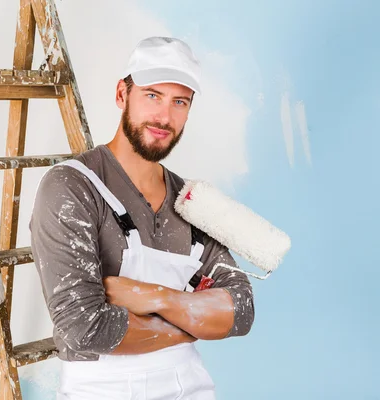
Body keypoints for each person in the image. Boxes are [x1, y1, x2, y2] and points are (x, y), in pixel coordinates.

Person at [29, 36, 255, 400]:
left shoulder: (191, 202)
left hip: (189, 386)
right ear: (122, 94)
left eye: (179, 102)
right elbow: (85, 329)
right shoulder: (73, 188)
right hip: (102, 390)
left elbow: (240, 310)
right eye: (152, 95)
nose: (164, 117)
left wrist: (151, 296)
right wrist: (192, 322)